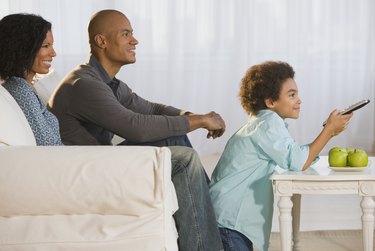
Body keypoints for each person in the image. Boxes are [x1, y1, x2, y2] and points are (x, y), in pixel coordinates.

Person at [49, 9, 225, 251]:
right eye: (126, 34)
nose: (135, 40)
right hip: (85, 174)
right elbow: (135, 128)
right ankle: (218, 236)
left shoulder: (109, 83)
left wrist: (190, 116)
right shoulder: (84, 84)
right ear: (102, 41)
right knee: (185, 160)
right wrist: (200, 121)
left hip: (98, 161)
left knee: (173, 134)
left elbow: (150, 108)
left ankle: (218, 230)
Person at [209, 61, 353, 251]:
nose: (299, 100)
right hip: (230, 220)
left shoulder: (261, 122)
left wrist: (330, 132)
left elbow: (293, 155)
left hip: (228, 217)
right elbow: (298, 161)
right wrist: (328, 131)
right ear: (270, 102)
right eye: (292, 95)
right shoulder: (269, 123)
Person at [0, 13, 62, 146]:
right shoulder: (20, 89)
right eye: (45, 46)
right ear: (23, 48)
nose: (53, 53)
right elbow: (46, 143)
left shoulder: (25, 86)